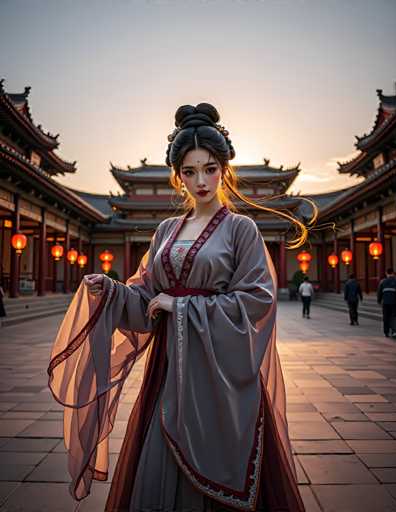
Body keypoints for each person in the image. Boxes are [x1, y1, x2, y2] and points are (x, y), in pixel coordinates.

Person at [47, 103, 317, 512]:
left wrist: (183, 306)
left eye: (209, 168)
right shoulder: (166, 231)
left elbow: (257, 299)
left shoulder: (240, 229)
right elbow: (147, 299)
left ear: (224, 169)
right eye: (189, 171)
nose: (200, 180)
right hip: (169, 369)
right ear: (177, 176)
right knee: (158, 458)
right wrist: (113, 292)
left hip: (219, 370)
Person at [377, 267, 396, 337]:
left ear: (386, 273)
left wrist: (379, 300)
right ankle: (394, 331)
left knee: (386, 316)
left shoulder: (382, 282)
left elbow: (379, 292)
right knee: (394, 316)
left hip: (385, 302)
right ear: (393, 273)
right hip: (394, 302)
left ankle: (386, 331)